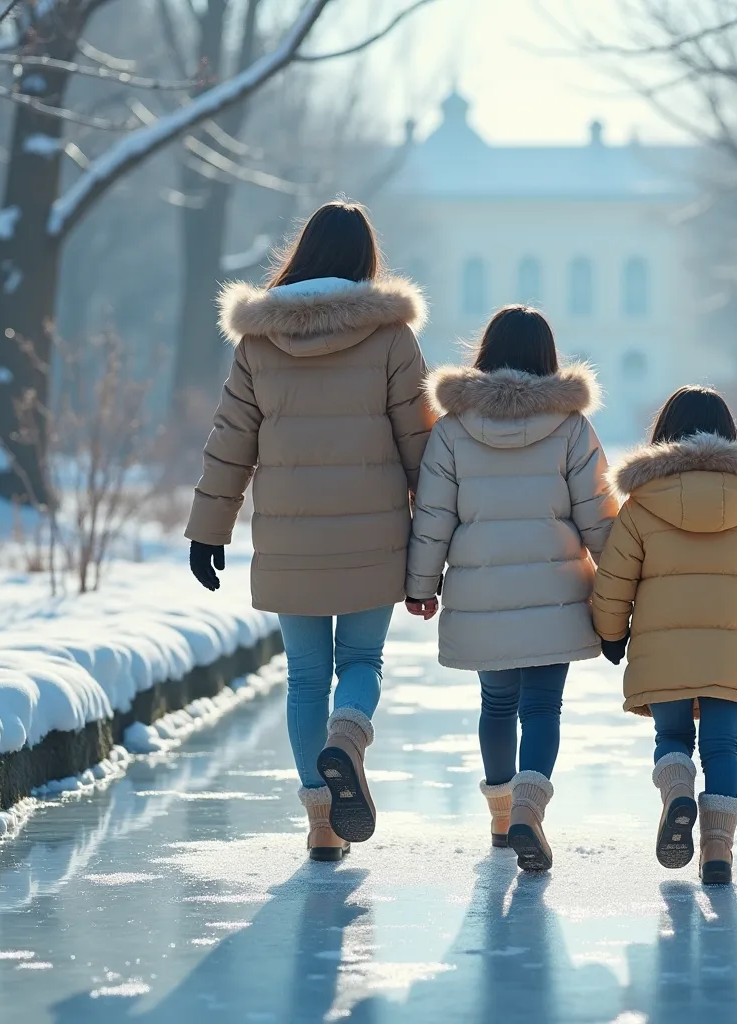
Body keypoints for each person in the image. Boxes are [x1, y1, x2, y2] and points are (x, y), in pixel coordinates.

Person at [184, 201, 434, 862]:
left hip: (289, 540)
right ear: (364, 260)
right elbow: (421, 445)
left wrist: (208, 530)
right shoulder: (391, 337)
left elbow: (231, 438)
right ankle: (346, 741)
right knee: (360, 663)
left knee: (303, 679)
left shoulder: (259, 339)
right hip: (374, 535)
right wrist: (438, 534)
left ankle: (322, 824)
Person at [404, 306, 617, 872]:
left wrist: (422, 585)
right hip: (557, 593)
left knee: (497, 702)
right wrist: (624, 586)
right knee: (544, 706)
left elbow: (432, 515)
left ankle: (502, 818)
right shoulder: (572, 427)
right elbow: (598, 517)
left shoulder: (451, 429)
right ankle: (530, 806)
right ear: (548, 358)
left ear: (485, 354)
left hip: (481, 596)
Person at [592, 385, 737, 884]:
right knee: (722, 748)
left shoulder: (642, 505)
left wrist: (611, 634)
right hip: (729, 655)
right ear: (729, 436)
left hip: (661, 651)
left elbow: (614, 580)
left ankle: (677, 795)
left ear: (663, 434)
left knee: (671, 736)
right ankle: (718, 849)